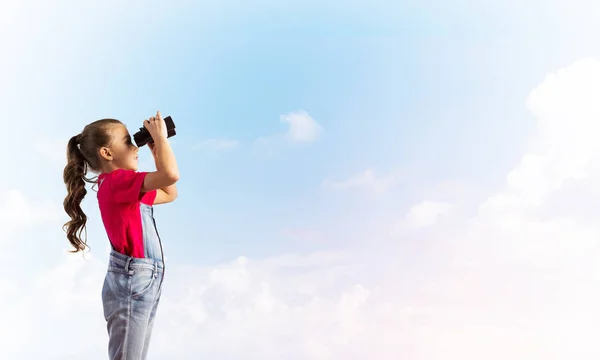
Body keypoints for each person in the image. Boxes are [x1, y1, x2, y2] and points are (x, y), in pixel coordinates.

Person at [62, 111, 180, 359]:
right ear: (107, 153)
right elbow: (170, 175)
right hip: (133, 282)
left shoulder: (123, 185)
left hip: (142, 281)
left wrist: (157, 152)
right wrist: (161, 139)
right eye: (128, 141)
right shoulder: (117, 181)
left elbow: (169, 193)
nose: (135, 146)